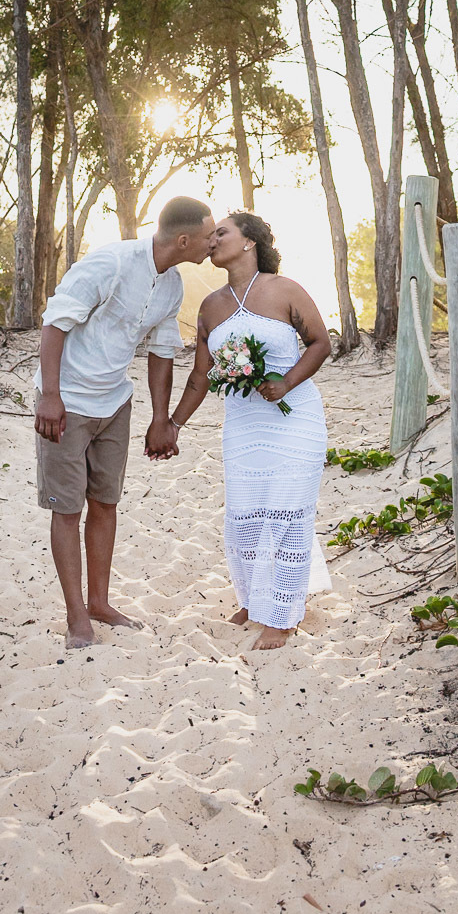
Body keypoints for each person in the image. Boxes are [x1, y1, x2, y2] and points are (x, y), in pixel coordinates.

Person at [35, 196, 215, 649]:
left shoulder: (173, 285)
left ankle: (99, 601)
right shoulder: (111, 264)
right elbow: (55, 323)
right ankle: (77, 616)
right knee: (67, 508)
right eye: (210, 235)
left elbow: (161, 351)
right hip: (69, 401)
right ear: (183, 239)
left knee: (105, 503)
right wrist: (51, 396)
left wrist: (161, 419)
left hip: (115, 403)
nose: (214, 242)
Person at [167, 212, 332, 650]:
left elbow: (321, 342)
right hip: (243, 425)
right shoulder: (211, 306)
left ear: (249, 242)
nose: (212, 238)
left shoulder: (285, 290)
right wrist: (172, 424)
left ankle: (282, 616)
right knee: (246, 518)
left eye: (222, 231)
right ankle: (253, 600)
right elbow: (201, 376)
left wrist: (286, 382)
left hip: (295, 419)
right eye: (210, 233)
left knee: (288, 515)